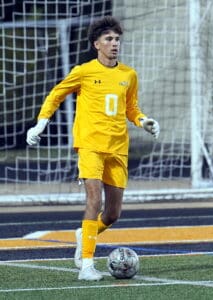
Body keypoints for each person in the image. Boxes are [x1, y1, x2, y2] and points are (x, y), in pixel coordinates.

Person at [26, 16, 160, 281]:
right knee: (93, 200)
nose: (114, 44)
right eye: (109, 39)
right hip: (90, 145)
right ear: (96, 43)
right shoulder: (84, 71)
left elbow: (131, 108)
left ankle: (84, 233)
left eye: (117, 39)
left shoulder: (128, 75)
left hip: (118, 148)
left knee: (112, 214)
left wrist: (144, 121)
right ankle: (86, 265)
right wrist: (40, 124)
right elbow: (56, 94)